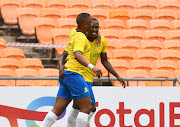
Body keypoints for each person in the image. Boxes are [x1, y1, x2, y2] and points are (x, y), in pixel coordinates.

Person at [59, 18, 126, 127]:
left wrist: (117, 76)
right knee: (90, 107)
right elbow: (65, 55)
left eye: (97, 27)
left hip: (88, 77)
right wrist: (61, 67)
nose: (95, 29)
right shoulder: (80, 39)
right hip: (77, 75)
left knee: (79, 107)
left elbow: (105, 61)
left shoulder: (102, 41)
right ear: (87, 28)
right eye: (92, 27)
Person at [40, 13, 102, 127]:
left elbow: (65, 53)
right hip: (74, 74)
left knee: (57, 110)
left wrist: (61, 66)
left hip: (67, 74)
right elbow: (78, 55)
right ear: (85, 25)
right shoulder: (81, 38)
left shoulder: (74, 33)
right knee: (86, 107)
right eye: (90, 23)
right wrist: (93, 67)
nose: (92, 25)